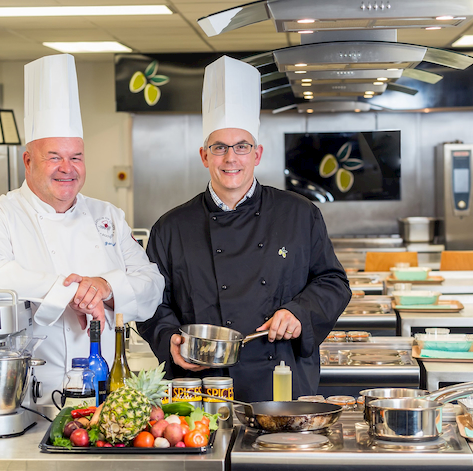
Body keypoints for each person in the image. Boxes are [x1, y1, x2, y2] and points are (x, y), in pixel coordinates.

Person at [138, 56, 351, 402]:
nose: (230, 158)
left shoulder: (299, 214)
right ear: (204, 156)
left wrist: (299, 312)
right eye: (219, 148)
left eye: (241, 147)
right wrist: (169, 340)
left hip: (281, 383)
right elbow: (149, 303)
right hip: (200, 387)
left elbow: (333, 283)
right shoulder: (171, 227)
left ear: (257, 153)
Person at [0, 54, 164, 405]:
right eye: (54, 156)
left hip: (108, 401)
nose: (67, 168)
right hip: (30, 397)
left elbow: (152, 287)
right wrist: (69, 291)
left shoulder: (108, 216)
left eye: (76, 157)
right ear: (28, 161)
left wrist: (105, 287)